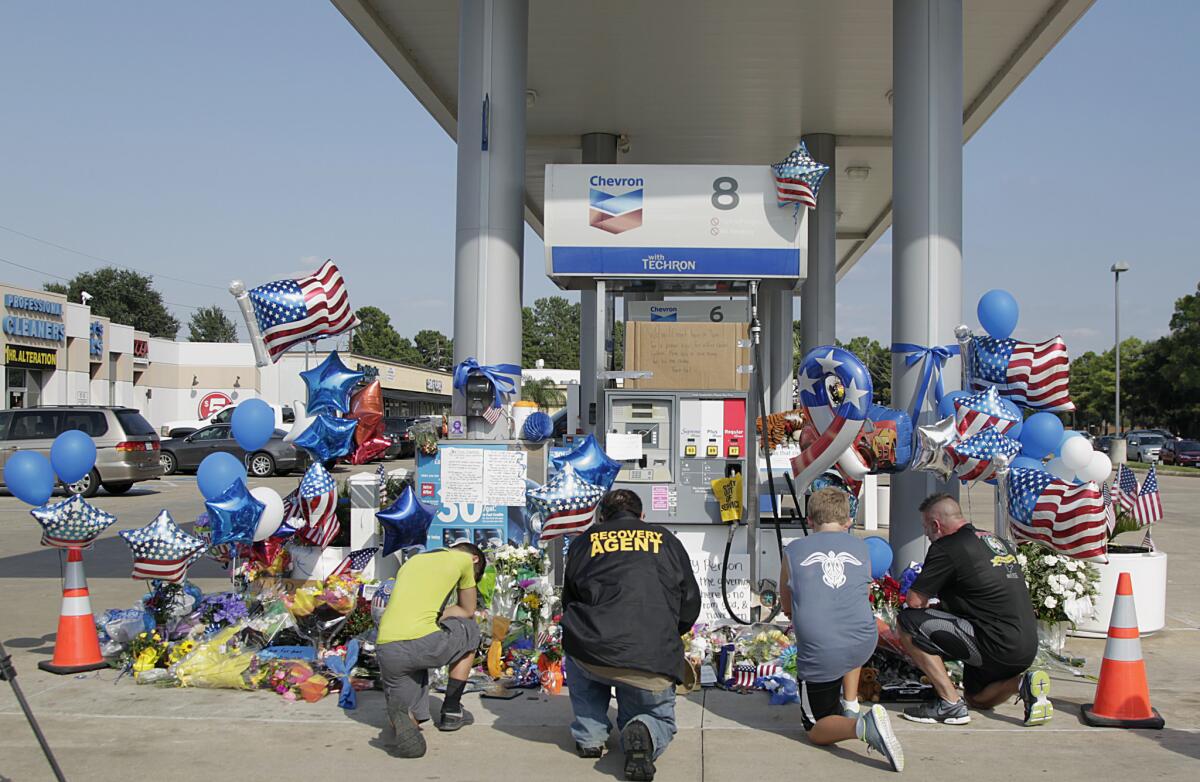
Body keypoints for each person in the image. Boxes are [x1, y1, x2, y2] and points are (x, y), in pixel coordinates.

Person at [560, 489, 701, 782]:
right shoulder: (666, 540)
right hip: (650, 657)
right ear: (642, 516)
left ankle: (590, 737)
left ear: (601, 517)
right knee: (657, 715)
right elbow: (690, 601)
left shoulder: (584, 541)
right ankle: (645, 730)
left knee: (578, 645)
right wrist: (668, 636)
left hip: (591, 651)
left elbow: (569, 599)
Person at [779, 487, 904, 772]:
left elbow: (786, 602)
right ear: (848, 521)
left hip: (823, 650)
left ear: (810, 520)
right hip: (863, 640)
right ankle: (850, 702)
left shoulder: (794, 551)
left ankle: (862, 725)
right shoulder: (861, 548)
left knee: (814, 727)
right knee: (848, 628)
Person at [898, 493, 1049, 726]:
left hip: (993, 642)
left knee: (908, 622)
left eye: (926, 528)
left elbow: (916, 602)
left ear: (936, 525)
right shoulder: (995, 540)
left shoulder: (947, 546)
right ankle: (1022, 683)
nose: (927, 535)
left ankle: (949, 703)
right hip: (1025, 645)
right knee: (976, 698)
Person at [376, 542, 486, 758]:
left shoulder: (413, 561)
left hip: (387, 647)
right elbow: (467, 609)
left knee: (409, 712)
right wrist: (440, 615)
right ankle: (452, 710)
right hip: (424, 644)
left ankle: (405, 721)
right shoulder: (465, 560)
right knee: (470, 628)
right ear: (474, 559)